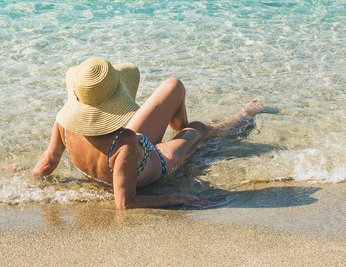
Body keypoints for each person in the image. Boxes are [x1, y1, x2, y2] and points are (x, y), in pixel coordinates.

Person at [30, 57, 262, 211]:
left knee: (173, 85)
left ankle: (185, 127)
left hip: (117, 159)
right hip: (154, 160)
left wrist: (28, 180)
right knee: (198, 129)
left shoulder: (64, 123)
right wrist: (174, 198)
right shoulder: (126, 143)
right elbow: (124, 203)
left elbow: (47, 163)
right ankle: (244, 116)